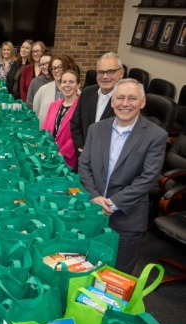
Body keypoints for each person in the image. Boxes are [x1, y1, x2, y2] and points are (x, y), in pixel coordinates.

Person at [78, 79, 168, 274]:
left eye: (132, 98)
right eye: (120, 97)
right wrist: (94, 196)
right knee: (87, 267)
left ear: (142, 102)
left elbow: (148, 177)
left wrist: (114, 202)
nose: (125, 103)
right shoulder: (96, 129)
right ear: (112, 101)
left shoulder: (156, 135)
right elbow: (84, 165)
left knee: (118, 275)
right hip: (93, 211)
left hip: (128, 218)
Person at [71, 52, 124, 157]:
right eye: (100, 72)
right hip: (83, 156)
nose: (104, 76)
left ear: (121, 73)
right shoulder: (87, 93)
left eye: (110, 71)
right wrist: (83, 148)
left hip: (109, 159)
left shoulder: (125, 101)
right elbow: (75, 124)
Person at [42, 70, 81, 170]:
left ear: (78, 85)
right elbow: (45, 128)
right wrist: (44, 147)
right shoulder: (54, 105)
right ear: (60, 85)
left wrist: (61, 153)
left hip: (67, 159)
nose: (67, 85)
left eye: (71, 82)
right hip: (48, 155)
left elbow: (79, 135)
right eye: (64, 82)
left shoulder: (82, 106)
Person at [33, 54, 78, 128]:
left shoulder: (77, 93)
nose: (56, 70)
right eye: (54, 68)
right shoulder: (42, 90)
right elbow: (36, 113)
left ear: (67, 67)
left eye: (60, 67)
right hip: (46, 136)